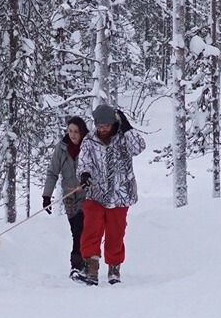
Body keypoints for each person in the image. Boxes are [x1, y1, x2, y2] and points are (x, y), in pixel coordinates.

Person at [72, 103, 145, 286]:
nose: (102, 129)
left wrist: (128, 128)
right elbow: (84, 162)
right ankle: (91, 267)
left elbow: (139, 148)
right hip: (96, 194)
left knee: (116, 233)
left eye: (106, 126)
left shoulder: (123, 138)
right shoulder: (89, 140)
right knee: (91, 230)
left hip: (121, 195)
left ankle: (114, 268)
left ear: (113, 123)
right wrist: (85, 175)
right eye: (99, 126)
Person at [41, 116, 90, 278]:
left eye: (76, 131)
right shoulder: (61, 149)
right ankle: (82, 262)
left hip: (87, 196)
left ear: (82, 132)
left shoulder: (89, 147)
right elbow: (52, 172)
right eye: (70, 131)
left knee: (79, 230)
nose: (73, 135)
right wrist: (47, 195)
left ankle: (77, 265)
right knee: (75, 230)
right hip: (69, 196)